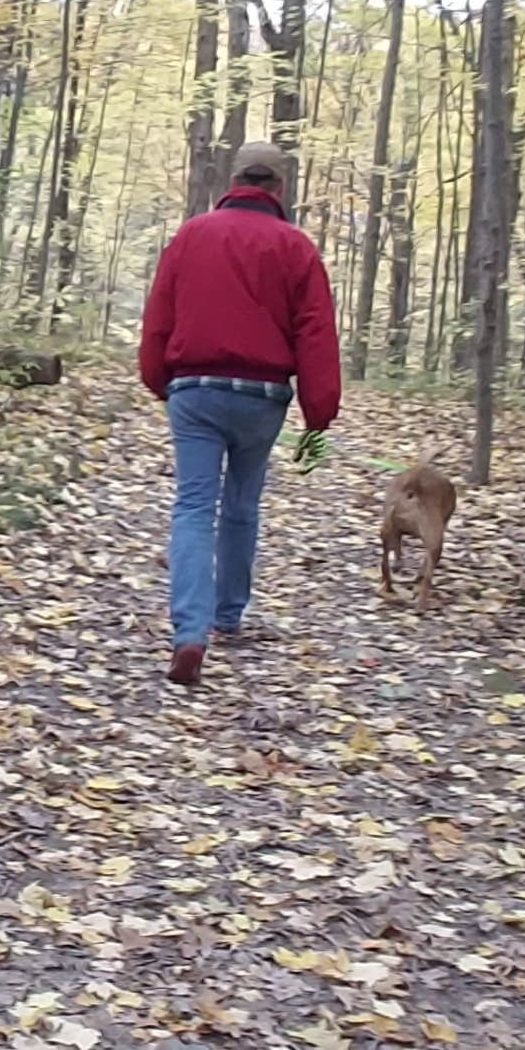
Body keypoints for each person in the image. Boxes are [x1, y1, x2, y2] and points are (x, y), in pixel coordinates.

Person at [138, 142, 342, 685]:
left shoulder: (192, 235)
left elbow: (160, 311)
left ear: (234, 181)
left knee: (193, 505)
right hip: (262, 397)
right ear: (279, 188)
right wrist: (318, 416)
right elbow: (316, 333)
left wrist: (158, 378)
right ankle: (228, 617)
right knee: (242, 505)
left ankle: (190, 631)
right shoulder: (296, 248)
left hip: (196, 392)